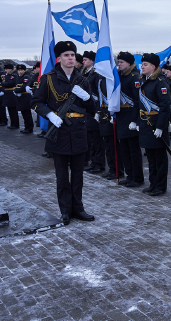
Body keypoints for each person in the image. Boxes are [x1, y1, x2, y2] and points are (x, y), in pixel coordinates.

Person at [30, 40, 96, 225]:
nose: (70, 58)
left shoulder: (82, 79)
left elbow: (92, 108)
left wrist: (88, 97)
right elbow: (36, 102)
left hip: (78, 131)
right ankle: (65, 211)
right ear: (58, 58)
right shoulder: (48, 78)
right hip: (58, 132)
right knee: (62, 176)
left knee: (78, 175)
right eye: (66, 55)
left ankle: (78, 209)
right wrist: (50, 114)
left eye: (73, 55)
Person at [138, 53, 171, 196]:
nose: (142, 67)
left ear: (153, 67)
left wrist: (160, 127)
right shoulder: (144, 81)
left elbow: (164, 107)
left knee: (159, 158)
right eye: (142, 64)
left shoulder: (160, 82)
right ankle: (153, 183)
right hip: (146, 124)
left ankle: (160, 186)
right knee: (150, 157)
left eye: (145, 64)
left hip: (156, 125)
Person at [116, 51, 144, 188]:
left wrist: (135, 120)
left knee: (133, 150)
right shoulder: (119, 76)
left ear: (129, 63)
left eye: (121, 62)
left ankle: (137, 177)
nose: (119, 64)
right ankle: (130, 175)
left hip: (131, 115)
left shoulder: (134, 77)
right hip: (121, 115)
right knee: (124, 149)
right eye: (118, 62)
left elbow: (137, 101)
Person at [81, 51, 105, 173]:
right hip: (87, 109)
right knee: (90, 138)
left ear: (92, 61)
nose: (83, 62)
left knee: (97, 139)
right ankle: (93, 161)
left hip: (94, 109)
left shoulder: (96, 74)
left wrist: (98, 110)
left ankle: (99, 163)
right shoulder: (84, 73)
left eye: (85, 60)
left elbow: (100, 93)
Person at [97, 76, 124, 180]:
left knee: (114, 146)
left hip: (111, 114)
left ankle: (118, 170)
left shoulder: (111, 79)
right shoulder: (101, 79)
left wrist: (113, 113)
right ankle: (112, 168)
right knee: (107, 145)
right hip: (103, 114)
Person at [14, 64, 34, 134]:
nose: (20, 71)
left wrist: (16, 91)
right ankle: (26, 127)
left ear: (24, 70)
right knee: (23, 113)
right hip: (20, 98)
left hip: (25, 97)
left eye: (21, 70)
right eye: (19, 70)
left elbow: (24, 87)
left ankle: (29, 128)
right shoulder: (18, 77)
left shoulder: (26, 77)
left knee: (27, 113)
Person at [1, 63, 19, 130]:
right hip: (7, 95)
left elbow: (9, 83)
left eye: (7, 69)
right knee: (10, 110)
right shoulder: (7, 75)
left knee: (13, 111)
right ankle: (12, 123)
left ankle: (15, 124)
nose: (6, 70)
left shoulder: (13, 75)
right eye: (5, 69)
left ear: (10, 69)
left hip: (11, 95)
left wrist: (2, 83)